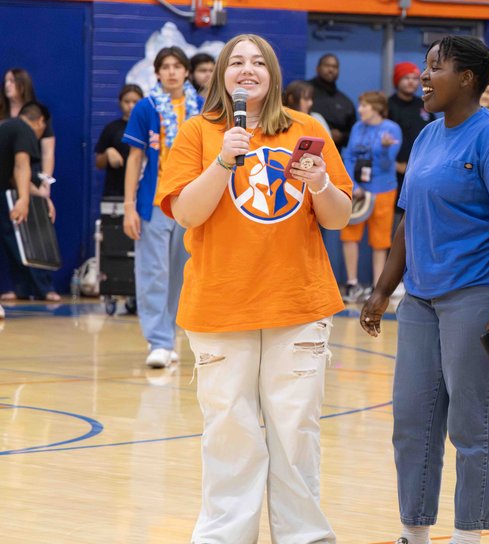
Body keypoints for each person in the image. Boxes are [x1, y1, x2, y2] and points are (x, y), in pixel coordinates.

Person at [155, 33, 352, 544]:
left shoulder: (307, 129)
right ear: (221, 74)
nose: (247, 69)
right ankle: (225, 536)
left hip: (299, 303)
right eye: (236, 61)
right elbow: (185, 213)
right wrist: (223, 161)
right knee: (229, 433)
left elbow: (337, 217)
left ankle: (304, 536)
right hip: (220, 305)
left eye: (258, 62)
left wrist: (319, 185)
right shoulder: (199, 132)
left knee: (296, 434)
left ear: (273, 74)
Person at [355, 34, 489, 544]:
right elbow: (407, 223)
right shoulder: (429, 137)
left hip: (481, 295)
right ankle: (414, 532)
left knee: (473, 426)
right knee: (413, 420)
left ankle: (468, 536)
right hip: (423, 300)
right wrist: (383, 290)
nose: (425, 78)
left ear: (469, 80)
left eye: (437, 68)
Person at [122, 46, 202, 368]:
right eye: (165, 66)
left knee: (182, 274)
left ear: (186, 72)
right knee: (153, 272)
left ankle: (171, 335)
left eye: (177, 66)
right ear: (157, 73)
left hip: (192, 202)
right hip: (154, 203)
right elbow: (135, 159)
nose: (171, 71)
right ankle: (158, 340)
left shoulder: (202, 109)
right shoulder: (146, 108)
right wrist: (129, 206)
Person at [341, 91, 401, 300]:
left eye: (364, 106)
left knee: (380, 240)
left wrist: (384, 149)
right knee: (349, 234)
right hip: (358, 191)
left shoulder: (391, 129)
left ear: (376, 107)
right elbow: (348, 156)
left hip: (383, 189)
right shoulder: (358, 127)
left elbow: (387, 163)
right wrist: (352, 183)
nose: (360, 110)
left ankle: (378, 287)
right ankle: (352, 284)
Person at [0, 104, 55, 301]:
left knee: (12, 239)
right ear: (40, 121)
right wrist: (23, 200)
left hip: (4, 188)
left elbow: (14, 176)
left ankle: (22, 288)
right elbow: (21, 165)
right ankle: (43, 289)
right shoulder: (25, 130)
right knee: (21, 238)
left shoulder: (9, 127)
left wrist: (41, 197)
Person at [0, 68, 55, 208]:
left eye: (12, 81)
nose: (7, 85)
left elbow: (47, 152)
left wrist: (45, 183)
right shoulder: (5, 115)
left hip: (27, 172)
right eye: (5, 81)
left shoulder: (36, 114)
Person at [386, 61, 433, 189]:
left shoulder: (424, 104)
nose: (411, 82)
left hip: (422, 168)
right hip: (396, 171)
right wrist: (394, 164)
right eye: (406, 78)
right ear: (397, 80)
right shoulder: (387, 106)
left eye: (414, 78)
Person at [94, 84, 143, 199]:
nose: (131, 106)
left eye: (135, 102)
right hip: (116, 192)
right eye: (127, 101)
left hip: (144, 191)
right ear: (120, 102)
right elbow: (98, 163)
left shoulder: (149, 128)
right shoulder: (111, 128)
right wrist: (107, 153)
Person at [308, 53, 356, 147]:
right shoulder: (305, 92)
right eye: (327, 65)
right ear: (317, 68)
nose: (331, 70)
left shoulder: (345, 102)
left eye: (335, 67)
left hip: (334, 153)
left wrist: (341, 136)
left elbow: (353, 134)